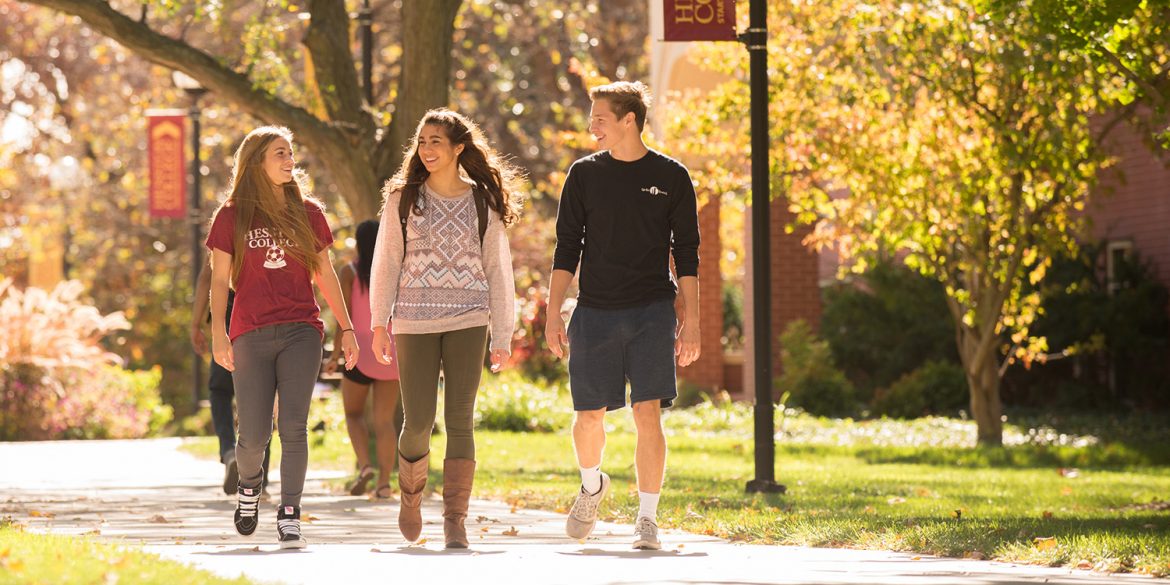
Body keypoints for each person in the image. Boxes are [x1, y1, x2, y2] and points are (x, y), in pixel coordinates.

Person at [544, 81, 701, 551]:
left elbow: (687, 255)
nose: (592, 126)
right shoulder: (584, 175)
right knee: (588, 416)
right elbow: (566, 248)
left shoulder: (672, 176)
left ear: (628, 119)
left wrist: (691, 320)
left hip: (652, 309)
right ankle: (592, 487)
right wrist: (553, 314)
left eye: (599, 118)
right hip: (594, 309)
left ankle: (647, 519)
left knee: (646, 412)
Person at [369, 108, 519, 549]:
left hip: (469, 319)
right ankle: (411, 498)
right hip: (414, 320)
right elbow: (386, 262)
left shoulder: (481, 202)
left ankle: (456, 519)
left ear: (458, 148)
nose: (427, 149)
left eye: (437, 141)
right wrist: (379, 322)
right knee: (417, 421)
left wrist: (503, 335)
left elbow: (498, 269)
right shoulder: (402, 199)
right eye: (422, 141)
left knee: (460, 419)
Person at [207, 125, 358, 550]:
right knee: (253, 435)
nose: (290, 159)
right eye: (280, 153)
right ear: (256, 161)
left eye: (291, 152)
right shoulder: (231, 216)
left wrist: (347, 328)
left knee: (293, 425)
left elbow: (325, 274)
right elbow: (220, 281)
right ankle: (250, 488)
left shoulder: (308, 212)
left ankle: (290, 512)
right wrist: (219, 333)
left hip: (301, 330)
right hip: (250, 332)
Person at [323, 219, 401, 500]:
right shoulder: (395, 272)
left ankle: (365, 466)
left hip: (356, 354)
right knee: (385, 422)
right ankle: (383, 483)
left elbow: (342, 319)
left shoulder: (349, 272)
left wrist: (334, 356)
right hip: (389, 354)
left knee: (353, 415)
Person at [191, 261, 271, 496]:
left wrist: (196, 323)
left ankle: (228, 451)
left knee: (220, 391)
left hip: (230, 319)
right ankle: (259, 477)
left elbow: (207, 274)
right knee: (264, 397)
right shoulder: (275, 225)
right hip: (267, 316)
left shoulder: (227, 225)